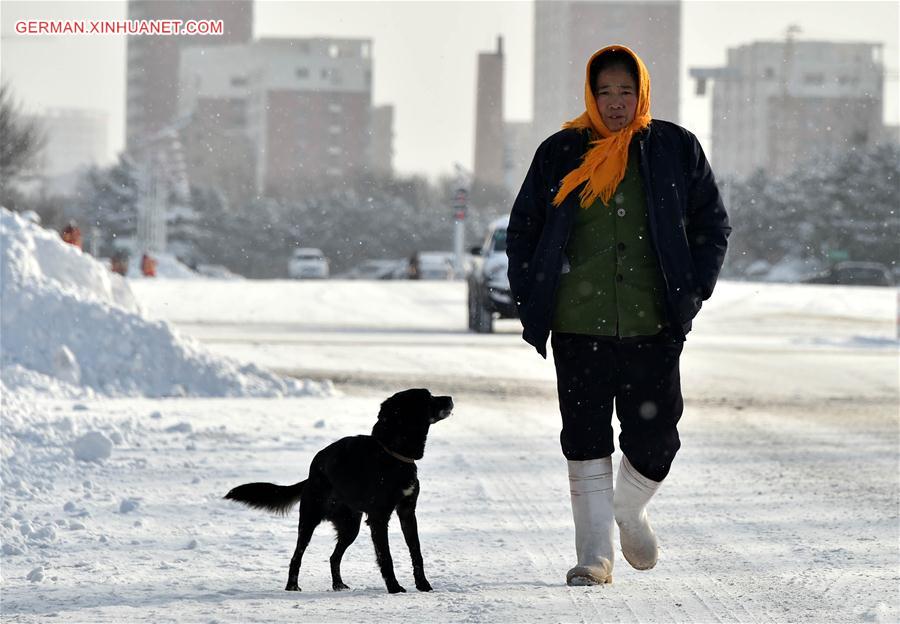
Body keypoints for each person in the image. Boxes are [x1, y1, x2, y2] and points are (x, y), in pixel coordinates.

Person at [506, 45, 730, 586]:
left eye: (625, 91)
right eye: (604, 91)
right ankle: (594, 555)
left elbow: (711, 225)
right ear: (590, 93)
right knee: (584, 437)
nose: (614, 102)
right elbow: (524, 231)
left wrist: (693, 289)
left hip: (653, 324)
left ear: (642, 93)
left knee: (657, 440)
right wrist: (533, 294)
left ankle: (628, 511)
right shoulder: (560, 151)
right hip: (578, 324)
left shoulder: (674, 148)